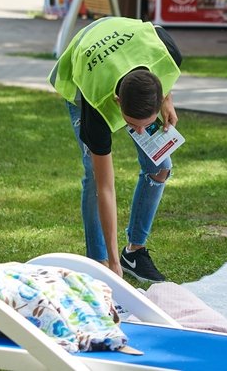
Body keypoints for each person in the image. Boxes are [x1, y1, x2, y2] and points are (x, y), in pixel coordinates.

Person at [49, 17, 182, 282]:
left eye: (145, 125)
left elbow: (162, 78)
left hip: (128, 45)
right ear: (118, 102)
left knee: (160, 168)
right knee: (93, 174)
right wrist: (111, 262)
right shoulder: (96, 106)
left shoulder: (168, 52)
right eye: (133, 125)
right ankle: (98, 262)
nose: (141, 132)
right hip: (84, 69)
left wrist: (167, 100)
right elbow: (105, 188)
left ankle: (134, 253)